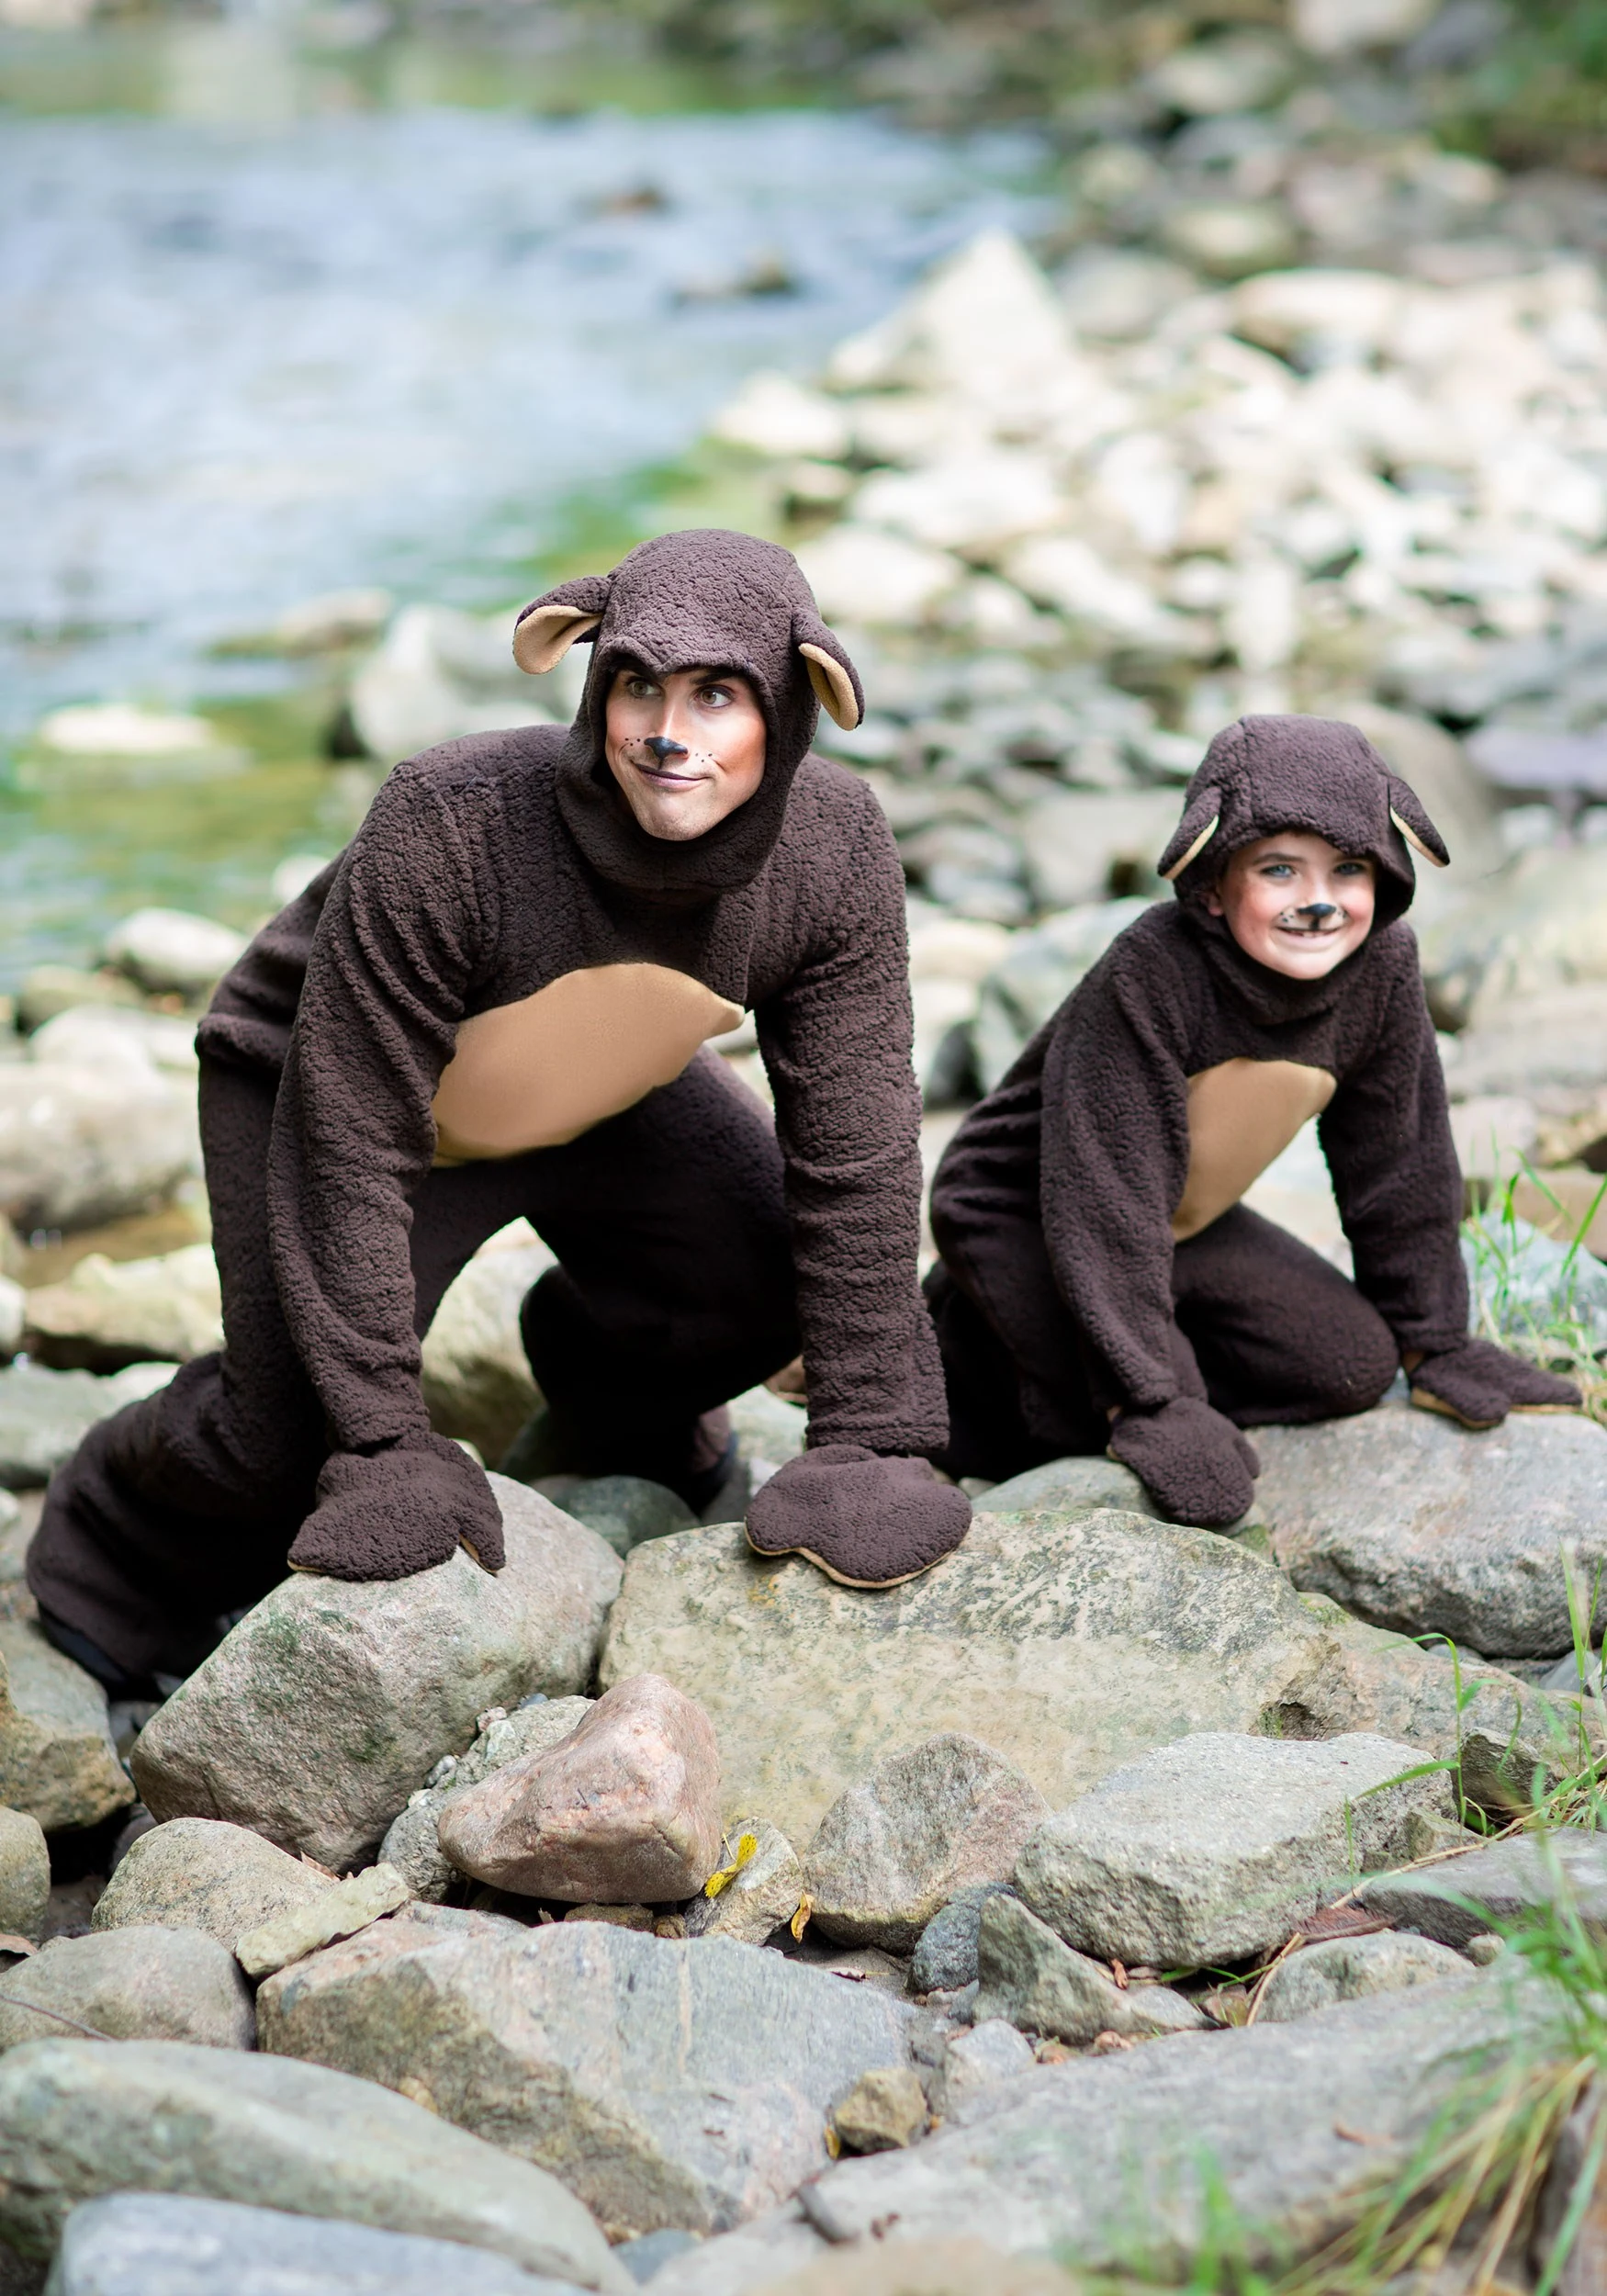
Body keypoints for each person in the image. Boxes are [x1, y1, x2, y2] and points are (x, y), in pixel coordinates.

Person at [28, 528, 969, 1694]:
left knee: (758, 1289)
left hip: (599, 1070)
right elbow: (351, 1129)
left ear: (796, 696)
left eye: (717, 696)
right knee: (288, 1428)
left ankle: (611, 1411)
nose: (666, 732)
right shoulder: (451, 817)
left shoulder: (833, 848)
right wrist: (381, 1440)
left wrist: (871, 1435)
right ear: (591, 676)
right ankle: (105, 1538)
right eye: (637, 685)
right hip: (331, 1090)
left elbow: (857, 1146)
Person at [926, 712, 1579, 1530]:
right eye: (1279, 870)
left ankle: (1123, 1348)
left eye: (1349, 869)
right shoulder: (1152, 972)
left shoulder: (1381, 970)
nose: (1319, 902)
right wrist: (1151, 1397)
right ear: (1211, 882)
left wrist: (1433, 1340)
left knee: (1348, 1367)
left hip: (1180, 1217)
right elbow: (1106, 1198)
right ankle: (951, 1336)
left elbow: (1400, 1159)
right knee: (1068, 1421)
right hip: (1023, 1207)